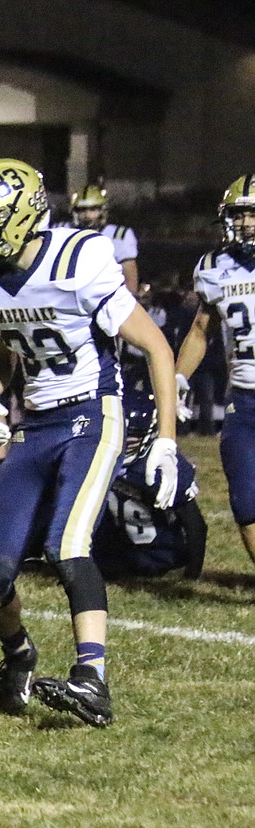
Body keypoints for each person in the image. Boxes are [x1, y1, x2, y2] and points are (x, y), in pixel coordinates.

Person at [0, 158, 180, 727]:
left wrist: (166, 442)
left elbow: (156, 347)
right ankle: (19, 655)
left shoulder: (80, 260)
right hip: (36, 423)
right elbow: (3, 355)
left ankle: (92, 680)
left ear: (23, 218)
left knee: (67, 544)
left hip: (91, 413)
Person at [175, 174, 255, 571]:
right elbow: (200, 331)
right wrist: (175, 380)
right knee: (245, 501)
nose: (244, 224)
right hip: (244, 399)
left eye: (252, 215)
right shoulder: (213, 268)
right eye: (239, 215)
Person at [92, 390, 206, 581]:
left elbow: (196, 526)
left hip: (160, 556)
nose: (125, 444)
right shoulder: (97, 457)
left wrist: (191, 574)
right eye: (121, 436)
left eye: (132, 438)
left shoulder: (160, 468)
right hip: (116, 554)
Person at [68, 184, 141, 295]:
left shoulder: (120, 236)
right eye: (82, 210)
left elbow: (130, 282)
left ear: (102, 210)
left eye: (93, 209)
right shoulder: (64, 231)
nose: (87, 215)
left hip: (107, 298)